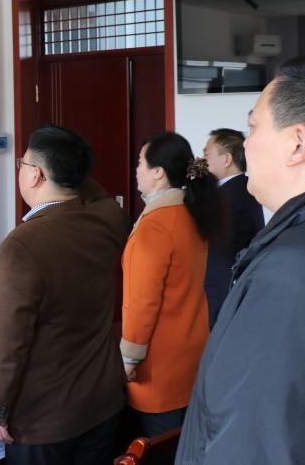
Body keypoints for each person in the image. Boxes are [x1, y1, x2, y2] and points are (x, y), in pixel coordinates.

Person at [177, 57, 305, 464]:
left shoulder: (291, 271)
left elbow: (254, 443)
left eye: (253, 127)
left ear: (297, 143)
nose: (246, 145)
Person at [0, 125, 130, 465]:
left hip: (46, 417)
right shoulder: (108, 219)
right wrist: (72, 170)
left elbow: (10, 339)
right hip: (102, 400)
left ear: (35, 174)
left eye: (22, 163)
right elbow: (97, 194)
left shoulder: (22, 244)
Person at [121, 132, 224, 438]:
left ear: (158, 172)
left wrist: (129, 358)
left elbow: (143, 303)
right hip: (191, 352)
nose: (136, 170)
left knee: (154, 448)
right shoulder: (190, 214)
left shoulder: (155, 225)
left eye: (140, 162)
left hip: (158, 365)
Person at [201, 128, 264, 326]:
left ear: (227, 159)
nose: (202, 160)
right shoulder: (241, 189)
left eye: (206, 154)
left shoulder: (228, 197)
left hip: (220, 292)